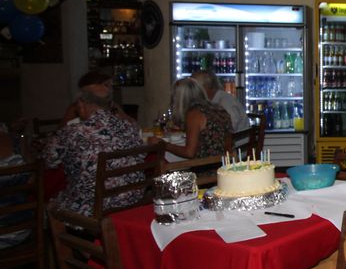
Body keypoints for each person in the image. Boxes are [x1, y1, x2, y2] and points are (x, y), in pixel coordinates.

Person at [43, 84, 146, 216]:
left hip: (94, 206)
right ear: (111, 104)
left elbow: (50, 161)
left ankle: (53, 235)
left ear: (81, 104)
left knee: (52, 204)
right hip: (133, 199)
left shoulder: (72, 132)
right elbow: (141, 156)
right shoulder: (130, 127)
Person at [147, 78, 231, 159]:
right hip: (224, 165)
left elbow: (189, 153)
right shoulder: (218, 108)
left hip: (205, 168)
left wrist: (163, 144)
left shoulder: (194, 114)